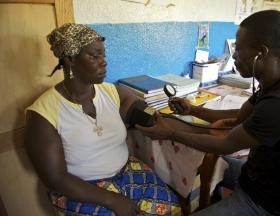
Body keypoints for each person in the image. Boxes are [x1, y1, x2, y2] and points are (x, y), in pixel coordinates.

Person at [136, 10, 280, 216]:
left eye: (239, 50)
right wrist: (193, 109)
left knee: (209, 156)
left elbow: (226, 144)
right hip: (258, 175)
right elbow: (240, 117)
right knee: (200, 160)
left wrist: (170, 133)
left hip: (266, 203)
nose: (234, 57)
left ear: (261, 52)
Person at [24, 23, 180, 216]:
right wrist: (112, 200)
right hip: (81, 188)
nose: (103, 62)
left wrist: (184, 123)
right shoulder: (42, 114)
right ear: (70, 58)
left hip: (128, 172)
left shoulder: (113, 93)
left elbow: (151, 117)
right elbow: (55, 178)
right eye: (94, 56)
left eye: (103, 55)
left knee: (172, 209)